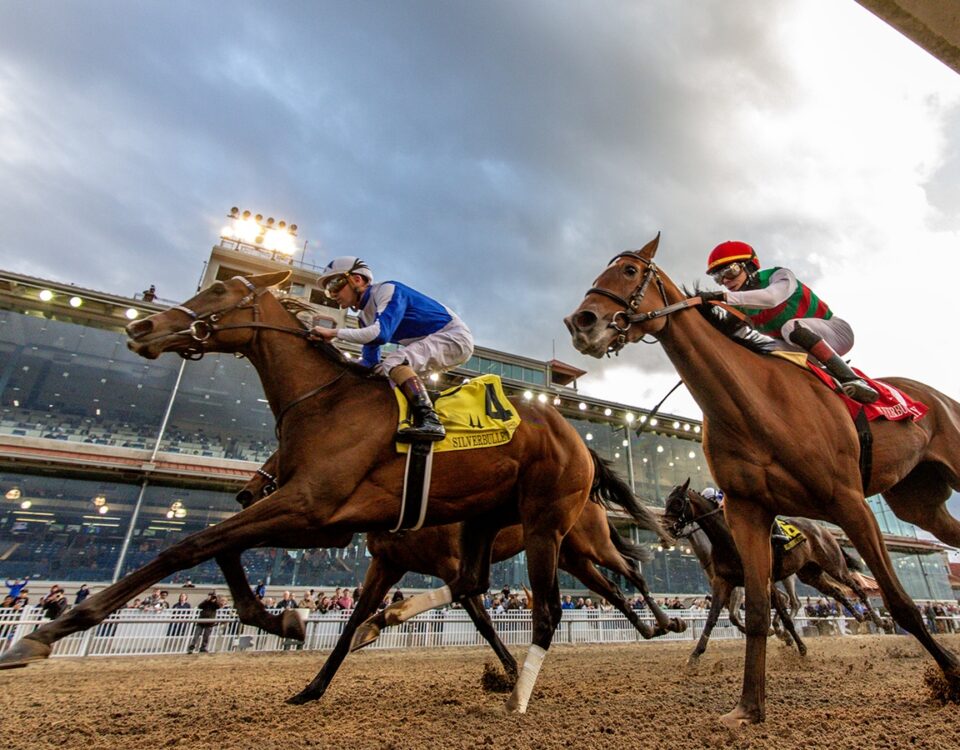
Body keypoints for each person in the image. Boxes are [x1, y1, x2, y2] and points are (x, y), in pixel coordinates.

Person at [311, 256, 474, 442]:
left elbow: (380, 334)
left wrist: (333, 333)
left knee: (393, 361)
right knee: (380, 370)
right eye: (328, 290)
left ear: (356, 279)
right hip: (437, 339)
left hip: (454, 336)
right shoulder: (364, 317)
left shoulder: (387, 290)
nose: (332, 293)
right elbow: (369, 362)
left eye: (334, 285)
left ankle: (430, 419)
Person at [701, 241, 878, 403]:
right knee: (763, 353)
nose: (725, 281)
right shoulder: (738, 308)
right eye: (719, 278)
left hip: (837, 333)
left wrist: (721, 296)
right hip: (799, 346)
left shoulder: (779, 275)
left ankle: (854, 380)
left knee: (789, 327)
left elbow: (771, 298)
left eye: (730, 272)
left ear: (748, 267)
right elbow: (729, 345)